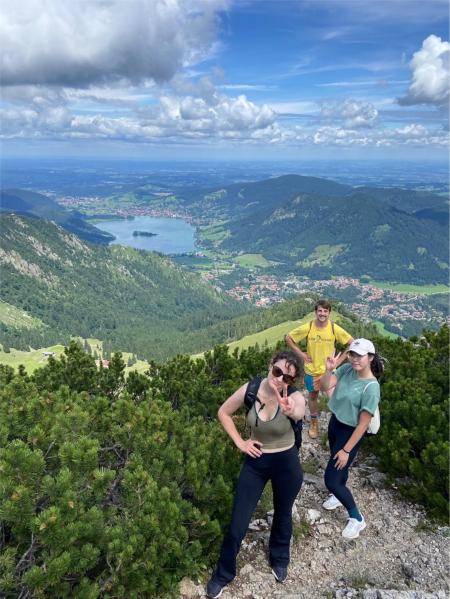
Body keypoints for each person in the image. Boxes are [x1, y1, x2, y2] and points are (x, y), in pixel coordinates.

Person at [206, 351, 307, 599]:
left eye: (288, 378)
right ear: (270, 365)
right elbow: (223, 412)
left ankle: (280, 559)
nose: (281, 379)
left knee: (283, 514)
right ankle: (223, 573)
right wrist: (240, 442)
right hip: (256, 461)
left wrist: (291, 410)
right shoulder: (251, 389)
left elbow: (300, 412)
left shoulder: (293, 397)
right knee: (239, 521)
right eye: (277, 371)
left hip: (287, 463)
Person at [320, 338, 383, 539]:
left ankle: (357, 518)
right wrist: (329, 369)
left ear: (370, 358)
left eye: (360, 355)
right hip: (336, 423)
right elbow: (324, 387)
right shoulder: (347, 370)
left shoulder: (371, 388)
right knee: (338, 468)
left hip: (351, 432)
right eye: (352, 354)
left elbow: (363, 424)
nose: (355, 359)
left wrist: (347, 450)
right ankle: (339, 496)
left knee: (331, 479)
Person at [285, 299, 353, 439]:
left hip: (329, 372)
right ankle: (314, 421)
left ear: (329, 313)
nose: (322, 314)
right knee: (313, 396)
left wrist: (338, 362)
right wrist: (301, 354)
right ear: (315, 312)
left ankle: (340, 424)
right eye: (320, 311)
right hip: (312, 371)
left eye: (325, 311)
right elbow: (289, 338)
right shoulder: (309, 327)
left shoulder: (334, 328)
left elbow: (352, 343)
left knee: (334, 397)